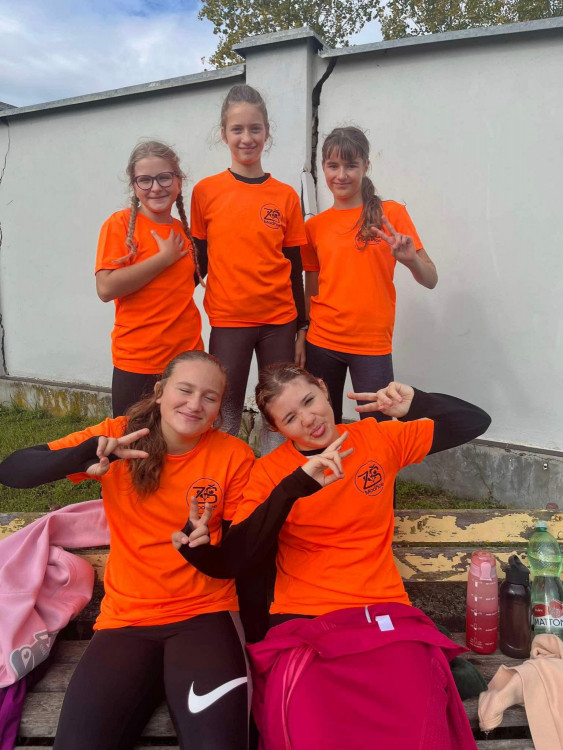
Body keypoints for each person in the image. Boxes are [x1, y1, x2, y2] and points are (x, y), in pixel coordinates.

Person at [173, 363, 490, 748]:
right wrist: (295, 487)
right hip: (304, 619)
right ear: (276, 428)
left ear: (324, 389)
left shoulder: (377, 438)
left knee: (417, 729)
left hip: (383, 610)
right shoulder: (270, 473)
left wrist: (417, 403)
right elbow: (238, 556)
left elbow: (474, 422)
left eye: (310, 401)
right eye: (291, 418)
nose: (309, 419)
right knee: (309, 729)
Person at [0, 351, 254, 750]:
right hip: (126, 620)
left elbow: (239, 555)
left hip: (204, 615)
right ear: (160, 391)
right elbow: (13, 469)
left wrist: (201, 546)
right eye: (185, 390)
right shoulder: (118, 435)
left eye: (210, 397)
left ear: (219, 408)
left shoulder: (233, 455)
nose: (195, 404)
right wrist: (84, 453)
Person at [190, 84, 308, 436]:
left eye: (255, 129)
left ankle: (276, 470)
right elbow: (198, 264)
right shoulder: (205, 192)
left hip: (279, 322)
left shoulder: (286, 196)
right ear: (223, 133)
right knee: (223, 415)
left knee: (280, 413)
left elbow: (295, 268)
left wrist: (302, 326)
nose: (246, 138)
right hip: (229, 321)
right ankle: (226, 469)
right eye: (237, 129)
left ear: (267, 132)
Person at [302, 126, 438, 424]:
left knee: (377, 428)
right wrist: (302, 334)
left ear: (365, 165)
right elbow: (311, 290)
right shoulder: (314, 227)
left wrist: (411, 260)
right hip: (322, 342)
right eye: (333, 166)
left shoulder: (391, 215)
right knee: (321, 426)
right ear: (323, 167)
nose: (341, 175)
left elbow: (431, 279)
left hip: (372, 345)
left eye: (351, 165)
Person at [96, 140, 204, 417]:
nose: (156, 187)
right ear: (134, 186)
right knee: (133, 437)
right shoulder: (120, 225)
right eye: (145, 180)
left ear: (179, 181)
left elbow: (179, 289)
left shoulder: (185, 233)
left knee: (181, 435)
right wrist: (162, 259)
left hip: (186, 358)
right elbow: (106, 288)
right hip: (137, 360)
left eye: (164, 177)